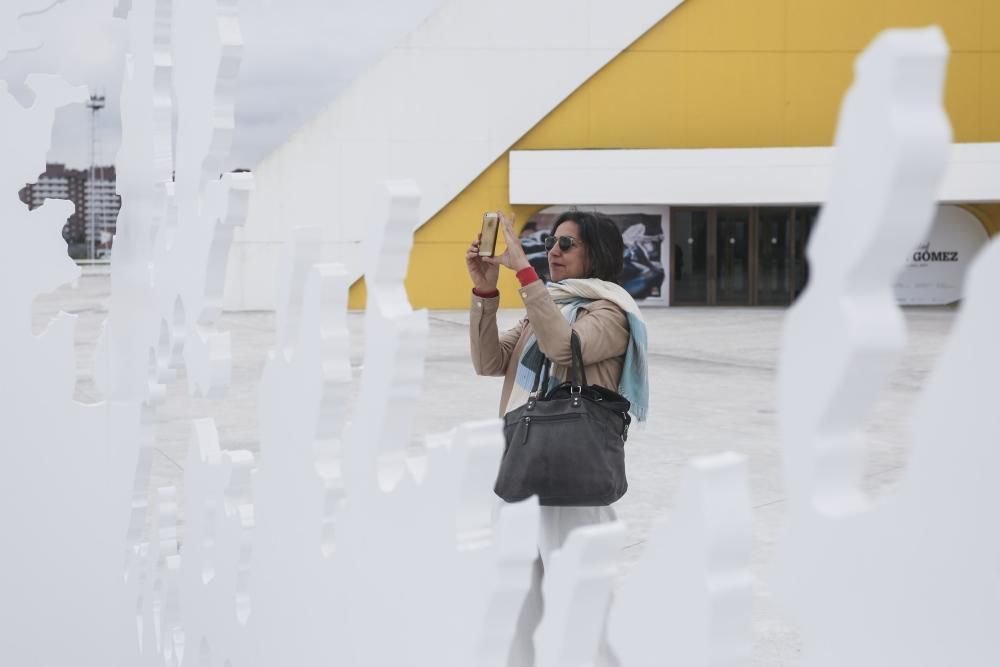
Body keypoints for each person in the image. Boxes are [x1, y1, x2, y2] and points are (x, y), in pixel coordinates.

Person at [466, 209, 649, 666]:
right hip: (521, 468)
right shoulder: (545, 305)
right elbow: (490, 362)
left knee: (583, 608)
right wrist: (486, 288)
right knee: (514, 611)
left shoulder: (609, 313)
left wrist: (525, 275)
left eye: (567, 244)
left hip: (575, 480)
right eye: (550, 241)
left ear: (597, 253)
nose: (553, 251)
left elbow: (564, 347)